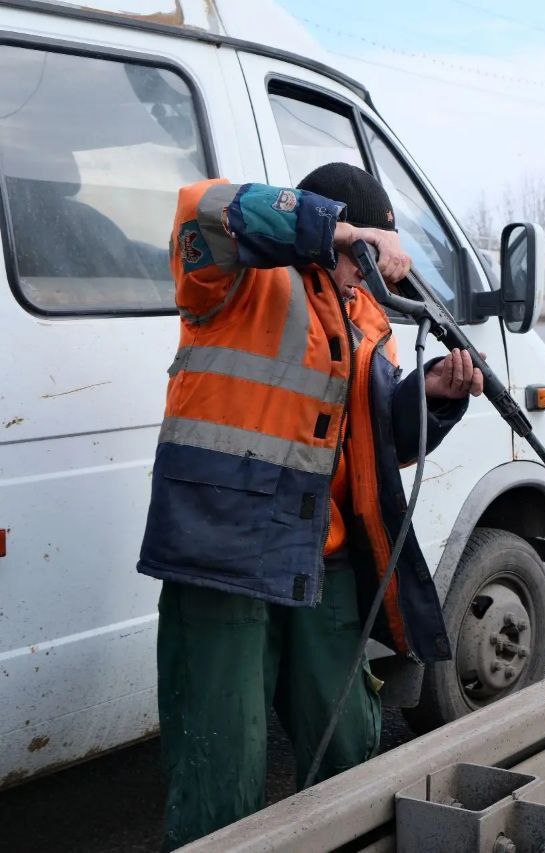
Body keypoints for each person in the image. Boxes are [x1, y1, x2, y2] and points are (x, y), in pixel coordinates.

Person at [136, 163, 482, 849]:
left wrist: (432, 395)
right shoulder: (236, 280)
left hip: (320, 564)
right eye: (369, 253)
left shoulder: (365, 318)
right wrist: (336, 229)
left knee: (349, 746)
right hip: (224, 556)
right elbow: (202, 209)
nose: (374, 274)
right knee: (223, 767)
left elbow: (370, 442)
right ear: (340, 236)